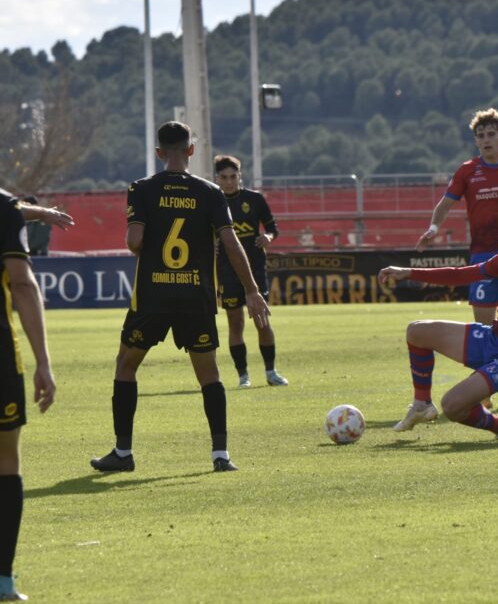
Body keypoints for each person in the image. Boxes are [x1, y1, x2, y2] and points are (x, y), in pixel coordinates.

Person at [89, 121, 270, 474]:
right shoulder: (211, 192)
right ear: (191, 150)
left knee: (126, 365)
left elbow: (134, 242)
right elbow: (231, 242)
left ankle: (123, 453)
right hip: (195, 295)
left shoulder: (141, 189)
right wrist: (251, 290)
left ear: (159, 152)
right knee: (209, 373)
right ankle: (220, 455)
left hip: (153, 295)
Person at [381, 215, 498, 440]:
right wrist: (409, 272)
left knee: (451, 405)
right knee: (416, 331)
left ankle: (497, 425)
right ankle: (422, 404)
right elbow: (461, 274)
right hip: (492, 338)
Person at [417, 109, 498, 331]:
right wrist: (433, 228)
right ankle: (489, 354)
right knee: (483, 323)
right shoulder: (467, 171)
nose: (486, 139)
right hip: (483, 253)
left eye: (491, 134)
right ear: (476, 141)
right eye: (481, 135)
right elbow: (445, 204)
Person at [0, 189, 58, 602]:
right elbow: (21, 282)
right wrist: (44, 362)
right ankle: (2, 579)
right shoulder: (4, 208)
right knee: (6, 461)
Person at [213, 155, 287, 388]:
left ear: (240, 176)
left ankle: (271, 372)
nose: (229, 182)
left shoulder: (254, 199)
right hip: (226, 270)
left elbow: (273, 228)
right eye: (224, 177)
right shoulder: (212, 202)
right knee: (235, 322)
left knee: (261, 320)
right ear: (217, 178)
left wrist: (268, 237)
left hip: (254, 268)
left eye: (232, 176)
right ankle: (243, 376)